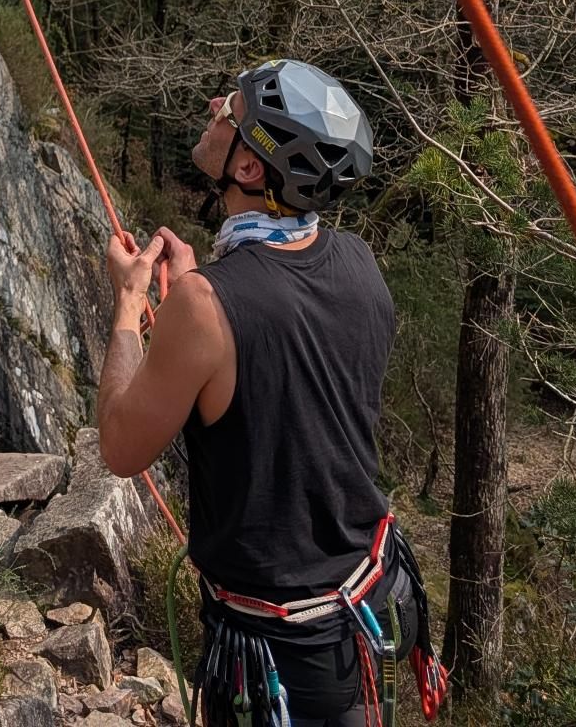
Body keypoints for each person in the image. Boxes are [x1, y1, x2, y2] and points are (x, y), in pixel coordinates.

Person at [97, 60, 447, 727]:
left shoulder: (207, 307)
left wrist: (129, 304)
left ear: (250, 167)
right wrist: (196, 292)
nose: (213, 104)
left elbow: (120, 445)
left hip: (279, 658)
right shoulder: (358, 263)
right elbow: (279, 369)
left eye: (230, 109)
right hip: (366, 609)